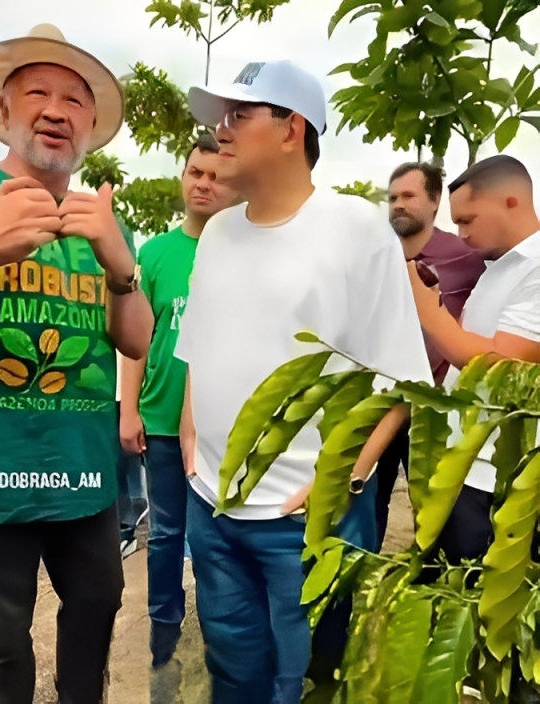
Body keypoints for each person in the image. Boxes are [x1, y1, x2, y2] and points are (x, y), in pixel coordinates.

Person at [0, 23, 152, 703]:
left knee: (98, 609)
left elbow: (135, 341)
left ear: (90, 124)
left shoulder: (105, 219)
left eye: (74, 100)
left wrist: (120, 266)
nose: (55, 110)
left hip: (85, 475)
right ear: (5, 109)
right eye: (37, 93)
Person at [176, 59, 431, 703]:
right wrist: (189, 439)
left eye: (239, 115)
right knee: (233, 672)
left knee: (310, 679)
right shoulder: (219, 232)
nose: (220, 130)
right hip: (213, 506)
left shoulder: (355, 228)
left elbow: (402, 380)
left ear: (292, 128)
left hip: (306, 517)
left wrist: (346, 481)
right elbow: (197, 345)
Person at [119, 133, 241, 669]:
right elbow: (136, 341)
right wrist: (129, 409)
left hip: (225, 426)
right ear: (183, 176)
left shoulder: (245, 252)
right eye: (196, 172)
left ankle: (221, 628)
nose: (204, 184)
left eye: (217, 177)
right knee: (167, 533)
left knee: (219, 535)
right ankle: (164, 627)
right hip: (163, 420)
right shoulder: (155, 254)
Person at [407, 155, 540, 564]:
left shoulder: (536, 267)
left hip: (496, 476)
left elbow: (503, 364)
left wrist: (426, 308)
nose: (460, 233)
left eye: (467, 220)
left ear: (511, 202)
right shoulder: (499, 267)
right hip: (464, 464)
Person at [373, 162, 486, 545]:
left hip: (435, 406)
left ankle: (430, 570)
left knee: (434, 505)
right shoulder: (378, 255)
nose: (398, 205)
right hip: (380, 398)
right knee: (370, 496)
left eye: (409, 196)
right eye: (393, 198)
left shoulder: (467, 258)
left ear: (435, 200)